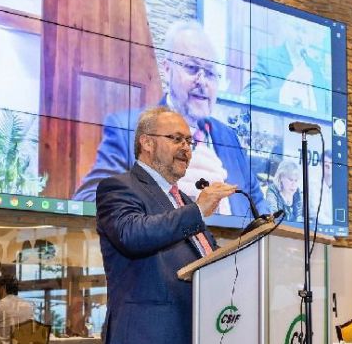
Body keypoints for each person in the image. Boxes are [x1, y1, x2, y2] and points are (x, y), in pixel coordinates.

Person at [96, 106, 236, 344]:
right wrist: (196, 211)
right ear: (145, 142)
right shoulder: (119, 187)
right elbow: (133, 236)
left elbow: (204, 258)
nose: (186, 148)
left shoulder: (179, 201)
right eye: (176, 139)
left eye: (189, 141)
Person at [74, 20, 268, 219]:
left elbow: (259, 204)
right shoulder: (127, 128)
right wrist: (162, 192)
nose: (202, 81)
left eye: (210, 73)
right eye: (192, 68)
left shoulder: (228, 137)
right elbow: (87, 200)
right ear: (167, 69)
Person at [245, 18, 330, 115]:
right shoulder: (269, 57)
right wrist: (284, 93)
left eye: (305, 32)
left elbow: (328, 108)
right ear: (286, 29)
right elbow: (249, 96)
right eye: (297, 28)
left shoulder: (315, 67)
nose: (301, 36)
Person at [309, 150, 333, 225]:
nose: (329, 166)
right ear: (321, 164)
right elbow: (318, 215)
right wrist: (334, 224)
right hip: (319, 229)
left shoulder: (340, 185)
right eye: (326, 163)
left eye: (332, 163)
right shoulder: (313, 184)